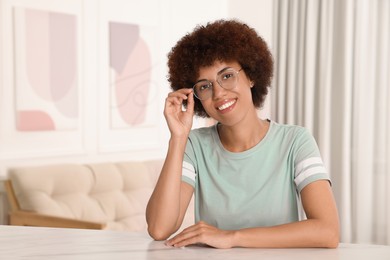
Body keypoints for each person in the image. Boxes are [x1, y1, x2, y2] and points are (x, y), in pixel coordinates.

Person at [146, 19, 339, 249]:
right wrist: (177, 138)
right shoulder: (194, 146)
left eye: (227, 76)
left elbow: (327, 231)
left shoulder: (295, 141)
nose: (219, 93)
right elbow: (159, 228)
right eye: (205, 86)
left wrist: (232, 237)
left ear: (251, 75)